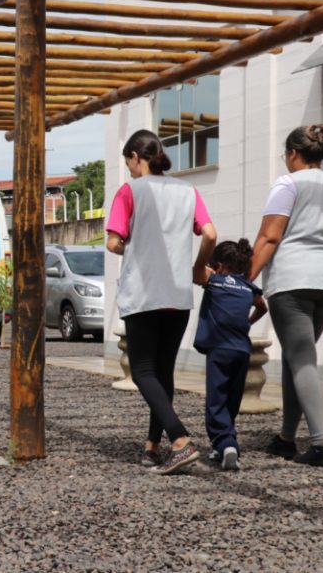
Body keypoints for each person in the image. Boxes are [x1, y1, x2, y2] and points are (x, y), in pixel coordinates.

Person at [248, 125, 323, 467]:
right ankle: (286, 438)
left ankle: (320, 444)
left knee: (301, 358)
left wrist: (247, 280)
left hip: (292, 280)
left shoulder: (288, 184)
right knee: (294, 356)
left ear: (293, 154)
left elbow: (269, 237)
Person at [106, 129, 217, 475]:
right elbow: (210, 233)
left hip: (145, 292)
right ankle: (152, 447)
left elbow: (112, 243)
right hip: (178, 294)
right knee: (163, 371)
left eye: (129, 163)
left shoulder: (130, 191)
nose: (129, 170)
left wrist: (137, 248)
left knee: (141, 371)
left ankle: (180, 441)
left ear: (137, 158)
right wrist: (199, 266)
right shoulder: (188, 190)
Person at [194, 239, 267, 471]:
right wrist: (247, 322)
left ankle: (227, 444)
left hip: (219, 350)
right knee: (232, 400)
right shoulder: (248, 287)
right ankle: (221, 444)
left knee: (216, 399)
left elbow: (197, 270)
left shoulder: (214, 281)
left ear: (220, 265)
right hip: (242, 351)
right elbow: (263, 307)